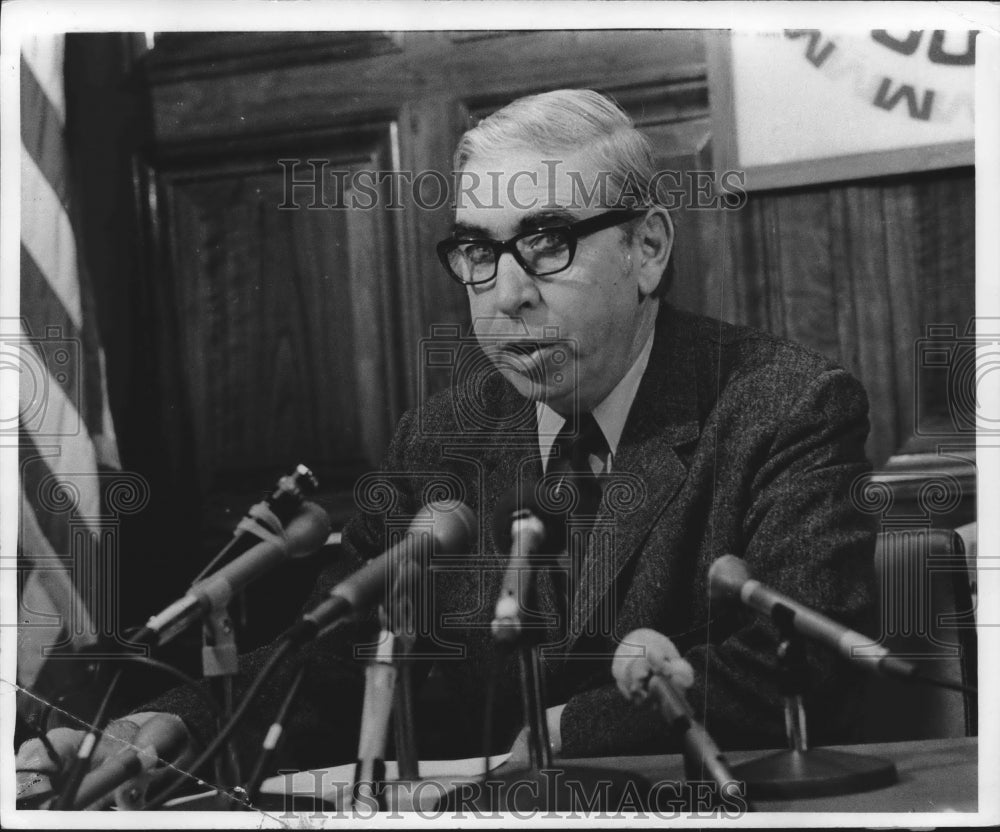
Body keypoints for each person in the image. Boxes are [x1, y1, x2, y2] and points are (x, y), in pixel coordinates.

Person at [16, 88, 878, 804]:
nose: (506, 295)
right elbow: (334, 661)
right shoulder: (441, 436)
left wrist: (569, 730)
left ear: (647, 248)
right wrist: (175, 727)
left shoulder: (783, 407)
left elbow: (802, 662)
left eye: (546, 244)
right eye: (477, 250)